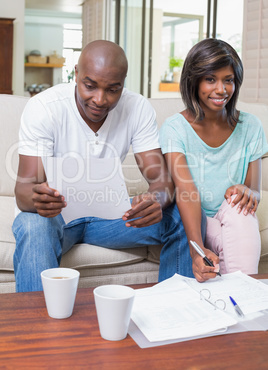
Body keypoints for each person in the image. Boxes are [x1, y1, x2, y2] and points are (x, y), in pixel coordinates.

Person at [13, 40, 206, 292]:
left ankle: (172, 307)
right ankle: (35, 327)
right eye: (90, 86)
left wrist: (156, 200)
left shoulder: (136, 108)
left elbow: (162, 182)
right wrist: (39, 199)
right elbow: (23, 192)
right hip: (56, 219)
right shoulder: (44, 108)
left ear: (123, 83)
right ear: (76, 74)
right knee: (32, 223)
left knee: (184, 213)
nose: (100, 100)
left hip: (110, 221)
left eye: (113, 89)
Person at [160, 38, 268, 282]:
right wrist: (196, 249)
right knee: (238, 216)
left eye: (228, 80)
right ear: (194, 81)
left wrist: (247, 191)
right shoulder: (175, 128)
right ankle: (243, 301)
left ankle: (240, 298)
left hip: (233, 216)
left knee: (239, 209)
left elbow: (255, 193)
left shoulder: (250, 126)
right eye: (211, 79)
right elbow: (186, 191)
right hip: (196, 219)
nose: (221, 89)